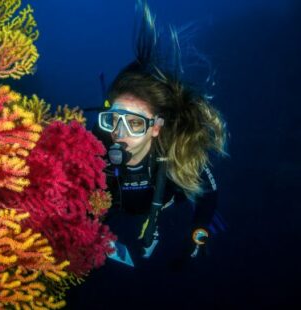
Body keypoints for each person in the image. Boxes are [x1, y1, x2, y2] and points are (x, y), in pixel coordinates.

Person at [66, 1, 227, 309]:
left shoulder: (173, 154)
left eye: (136, 123)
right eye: (114, 119)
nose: (120, 132)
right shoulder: (92, 148)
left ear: (156, 128)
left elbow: (208, 195)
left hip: (164, 202)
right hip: (111, 209)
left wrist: (199, 230)